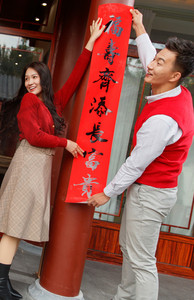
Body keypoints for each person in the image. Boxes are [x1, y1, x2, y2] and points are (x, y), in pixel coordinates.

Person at [0, 18, 104, 300]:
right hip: (29, 162)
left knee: (17, 226)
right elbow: (35, 136)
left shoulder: (52, 103)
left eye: (34, 78)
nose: (29, 83)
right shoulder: (28, 102)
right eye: (26, 79)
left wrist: (89, 43)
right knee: (14, 227)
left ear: (44, 79)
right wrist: (67, 143)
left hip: (37, 166)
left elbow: (75, 78)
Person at [87, 9, 194, 300]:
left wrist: (107, 193)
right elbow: (150, 58)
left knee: (142, 260)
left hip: (150, 192)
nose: (151, 65)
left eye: (161, 62)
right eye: (156, 57)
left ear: (175, 75)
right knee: (130, 250)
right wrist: (140, 27)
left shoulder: (163, 120)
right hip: (151, 189)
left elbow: (136, 163)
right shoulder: (173, 88)